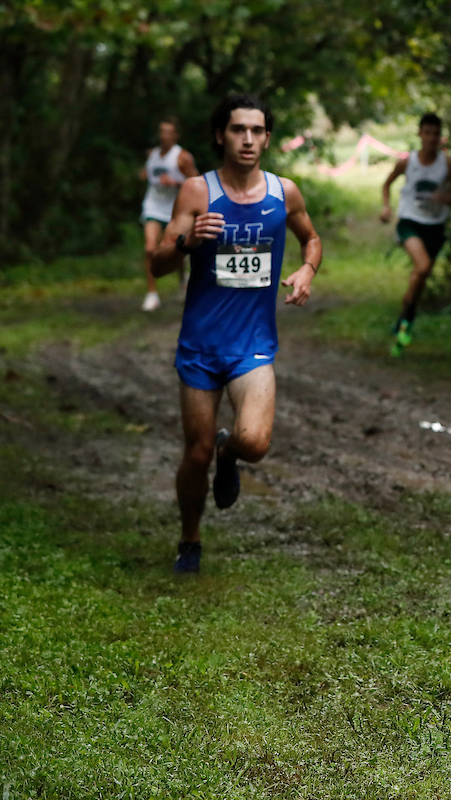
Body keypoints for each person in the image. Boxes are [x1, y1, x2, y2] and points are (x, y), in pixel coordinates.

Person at [150, 93, 321, 574]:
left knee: (255, 443)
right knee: (196, 452)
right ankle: (190, 539)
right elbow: (158, 264)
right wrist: (187, 242)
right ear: (220, 136)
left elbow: (311, 238)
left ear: (267, 139)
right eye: (237, 129)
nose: (247, 139)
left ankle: (230, 454)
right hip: (201, 346)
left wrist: (307, 269)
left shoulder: (284, 193)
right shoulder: (196, 192)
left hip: (253, 346)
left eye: (257, 130)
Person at [379, 113, 451, 356]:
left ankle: (405, 319)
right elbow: (386, 184)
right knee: (423, 266)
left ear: (441, 137)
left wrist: (445, 198)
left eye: (436, 133)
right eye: (427, 132)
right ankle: (405, 323)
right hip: (410, 223)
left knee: (420, 278)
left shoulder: (448, 165)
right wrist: (386, 208)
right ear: (420, 134)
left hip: (435, 226)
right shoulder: (407, 162)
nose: (431, 138)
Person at [139, 116, 198, 311]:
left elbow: (196, 183)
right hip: (153, 206)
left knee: (175, 250)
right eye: (161, 132)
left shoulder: (182, 157)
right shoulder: (153, 154)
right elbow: (147, 173)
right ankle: (152, 294)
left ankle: (183, 281)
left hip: (175, 209)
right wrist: (143, 174)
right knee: (150, 248)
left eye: (168, 132)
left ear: (176, 135)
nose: (164, 136)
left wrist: (175, 182)